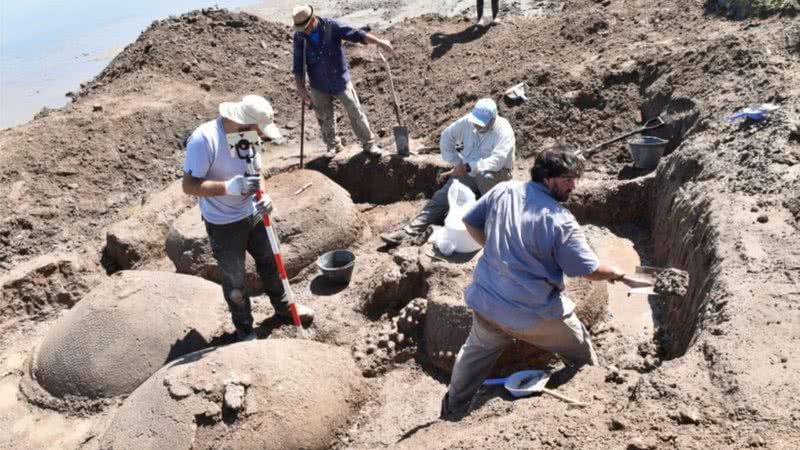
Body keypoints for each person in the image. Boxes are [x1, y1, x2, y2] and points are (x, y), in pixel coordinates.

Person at [439, 146, 626, 420]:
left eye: (575, 178)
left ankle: (453, 408)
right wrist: (616, 272)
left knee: (473, 355)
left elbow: (470, 221)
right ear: (547, 178)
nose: (573, 185)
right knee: (581, 352)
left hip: (488, 301)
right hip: (535, 314)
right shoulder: (560, 220)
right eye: (568, 179)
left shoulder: (504, 190)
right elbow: (588, 270)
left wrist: (493, 248)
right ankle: (595, 401)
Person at [182, 95, 314, 341]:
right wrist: (228, 187)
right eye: (260, 130)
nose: (262, 136)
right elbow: (189, 186)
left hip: (252, 213)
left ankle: (285, 307)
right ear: (246, 123)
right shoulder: (205, 139)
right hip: (223, 222)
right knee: (235, 280)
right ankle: (244, 328)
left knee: (271, 263)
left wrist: (263, 194)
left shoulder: (246, 136)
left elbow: (256, 172)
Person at [381, 98, 514, 246]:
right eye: (475, 121)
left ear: (492, 120)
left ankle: (499, 223)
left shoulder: (504, 130)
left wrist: (468, 166)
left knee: (484, 177)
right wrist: (458, 163)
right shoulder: (468, 122)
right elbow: (446, 137)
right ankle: (409, 231)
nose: (476, 125)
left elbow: (497, 161)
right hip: (469, 172)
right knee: (443, 195)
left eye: (481, 123)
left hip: (496, 174)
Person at [292, 4, 393, 157]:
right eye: (301, 29)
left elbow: (357, 34)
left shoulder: (332, 26)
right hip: (318, 84)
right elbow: (298, 64)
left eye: (306, 27)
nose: (304, 31)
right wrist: (300, 88)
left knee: (355, 111)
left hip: (340, 80)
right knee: (324, 117)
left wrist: (379, 41)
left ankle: (369, 144)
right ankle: (333, 146)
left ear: (313, 19)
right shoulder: (300, 37)